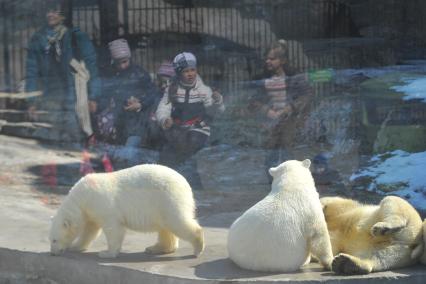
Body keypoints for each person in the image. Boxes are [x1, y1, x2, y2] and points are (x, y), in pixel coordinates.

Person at [24, 1, 100, 143]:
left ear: (62, 14)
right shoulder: (38, 39)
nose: (50, 15)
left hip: (75, 96)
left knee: (76, 136)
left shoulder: (76, 37)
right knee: (51, 140)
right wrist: (31, 102)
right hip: (49, 97)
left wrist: (93, 96)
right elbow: (31, 72)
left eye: (54, 10)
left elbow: (91, 67)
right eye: (47, 11)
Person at [249, 39, 312, 175]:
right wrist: (267, 111)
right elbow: (253, 100)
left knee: (287, 151)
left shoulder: (293, 77)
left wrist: (288, 109)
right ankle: (272, 183)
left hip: (289, 120)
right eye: (267, 58)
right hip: (270, 121)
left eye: (272, 59)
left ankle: (289, 180)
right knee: (270, 153)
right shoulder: (262, 79)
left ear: (282, 60)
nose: (268, 61)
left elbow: (306, 96)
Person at [155, 52, 225, 167]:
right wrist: (164, 119)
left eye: (192, 70)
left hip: (199, 128)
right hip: (178, 128)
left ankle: (186, 169)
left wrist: (218, 101)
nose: (190, 74)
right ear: (179, 73)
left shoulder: (203, 90)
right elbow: (163, 107)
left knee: (191, 140)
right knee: (168, 151)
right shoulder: (172, 89)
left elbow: (217, 111)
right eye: (186, 71)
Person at [98, 38, 161, 148]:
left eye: (125, 62)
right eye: (118, 63)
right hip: (118, 120)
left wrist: (141, 103)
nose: (122, 66)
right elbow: (105, 94)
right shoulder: (110, 74)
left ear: (129, 58)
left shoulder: (139, 73)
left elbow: (153, 93)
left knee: (130, 148)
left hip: (138, 120)